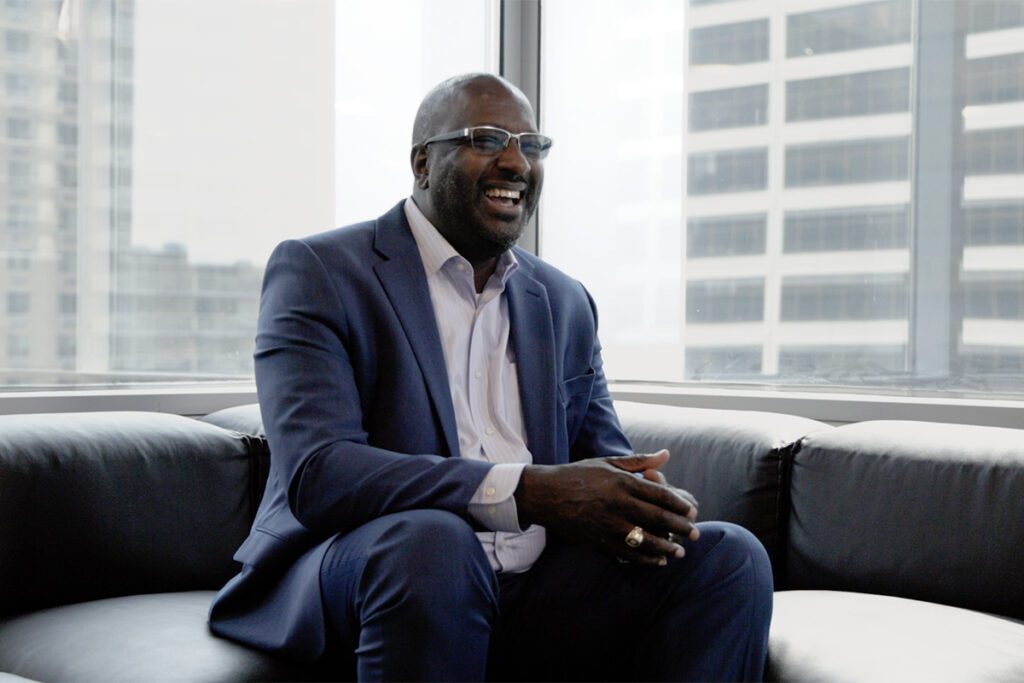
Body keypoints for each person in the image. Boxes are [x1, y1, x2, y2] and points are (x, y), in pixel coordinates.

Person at [209, 73, 773, 681]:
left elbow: (598, 462)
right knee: (433, 545)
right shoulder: (322, 270)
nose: (515, 162)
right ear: (423, 163)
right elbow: (320, 474)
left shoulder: (564, 300)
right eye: (488, 139)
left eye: (532, 146)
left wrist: (644, 505)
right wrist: (526, 490)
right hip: (362, 570)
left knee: (729, 557)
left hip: (536, 587)